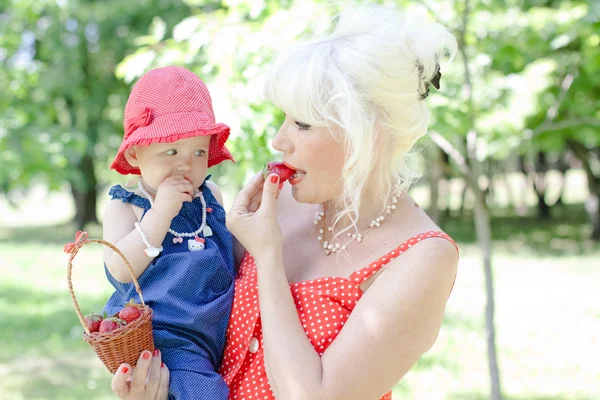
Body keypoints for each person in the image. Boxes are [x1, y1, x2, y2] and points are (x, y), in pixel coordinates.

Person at [110, 4, 459, 399]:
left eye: (302, 124)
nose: (278, 140)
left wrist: (268, 258)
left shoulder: (423, 257)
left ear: (367, 135)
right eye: (284, 118)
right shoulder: (281, 204)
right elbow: (193, 312)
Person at [102, 66, 242, 399]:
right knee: (203, 392)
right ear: (136, 153)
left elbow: (235, 253)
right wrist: (161, 213)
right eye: (171, 151)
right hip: (167, 337)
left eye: (199, 152)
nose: (187, 165)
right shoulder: (128, 206)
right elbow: (120, 269)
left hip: (217, 327)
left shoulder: (211, 196)